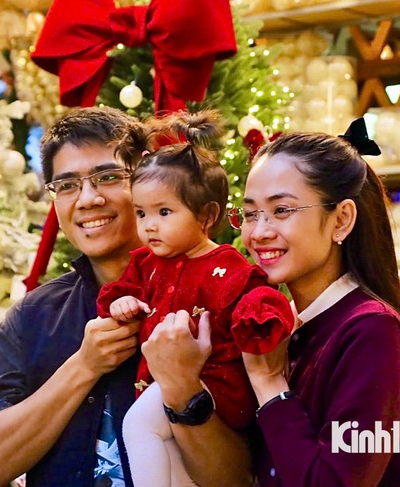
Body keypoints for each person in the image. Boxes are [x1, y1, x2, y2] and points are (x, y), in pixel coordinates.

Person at [0, 106, 253, 487]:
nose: (87, 198)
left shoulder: (216, 296)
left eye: (108, 177)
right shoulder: (35, 315)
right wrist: (84, 366)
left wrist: (183, 390)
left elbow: (241, 477)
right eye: (67, 185)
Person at [233, 119, 400, 486]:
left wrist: (269, 385)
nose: (259, 231)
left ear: (341, 220)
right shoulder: (286, 326)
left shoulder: (373, 330)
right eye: (251, 214)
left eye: (281, 210)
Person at [95, 111, 293, 487]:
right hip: (163, 382)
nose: (149, 225)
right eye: (141, 213)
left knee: (137, 426)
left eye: (164, 212)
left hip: (213, 385)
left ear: (206, 216)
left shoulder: (226, 266)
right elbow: (121, 292)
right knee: (174, 462)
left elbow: (260, 299)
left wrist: (258, 318)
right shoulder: (145, 263)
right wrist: (121, 304)